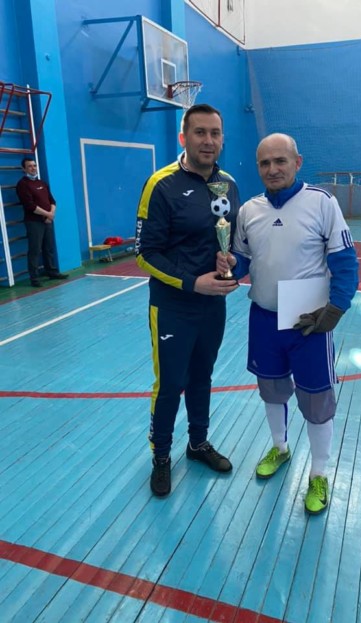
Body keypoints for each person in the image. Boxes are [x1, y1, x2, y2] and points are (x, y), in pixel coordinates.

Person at [217, 133, 359, 515]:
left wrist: (336, 308)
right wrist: (231, 266)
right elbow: (244, 261)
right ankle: (280, 449)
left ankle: (319, 473)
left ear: (297, 162)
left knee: (316, 400)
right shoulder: (249, 210)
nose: (273, 169)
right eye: (265, 163)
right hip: (264, 317)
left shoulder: (322, 203)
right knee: (272, 391)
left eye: (280, 161)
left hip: (308, 322)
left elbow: (345, 262)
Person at [135, 103, 240, 498]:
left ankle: (197, 443)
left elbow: (230, 240)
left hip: (213, 305)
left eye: (215, 133)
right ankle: (161, 456)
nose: (208, 141)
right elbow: (145, 253)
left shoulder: (228, 184)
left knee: (202, 377)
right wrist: (193, 283)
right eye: (200, 132)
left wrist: (230, 261)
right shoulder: (160, 184)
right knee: (170, 384)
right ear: (184, 137)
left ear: (222, 138)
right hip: (173, 306)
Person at [16, 157, 69, 287]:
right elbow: (30, 205)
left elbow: (52, 201)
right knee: (35, 250)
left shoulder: (42, 183)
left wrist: (51, 214)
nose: (33, 168)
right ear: (24, 169)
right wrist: (47, 214)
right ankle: (34, 278)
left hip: (48, 221)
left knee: (48, 248)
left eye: (34, 165)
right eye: (29, 166)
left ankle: (51, 271)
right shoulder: (23, 184)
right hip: (34, 222)